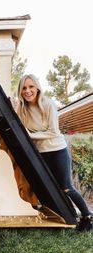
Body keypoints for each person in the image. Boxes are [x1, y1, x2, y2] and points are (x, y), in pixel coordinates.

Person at [16, 74, 92, 231]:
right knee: (49, 186)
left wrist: (31, 135)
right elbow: (19, 129)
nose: (28, 91)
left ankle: (87, 217)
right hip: (41, 153)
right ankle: (66, 216)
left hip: (57, 150)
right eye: (24, 88)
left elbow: (53, 132)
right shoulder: (22, 109)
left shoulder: (48, 104)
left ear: (37, 87)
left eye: (31, 87)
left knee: (66, 187)